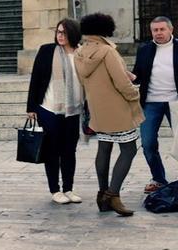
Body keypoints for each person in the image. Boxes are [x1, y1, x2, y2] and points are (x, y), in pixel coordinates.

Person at [75, 13, 145, 217]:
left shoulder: (79, 53)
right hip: (118, 108)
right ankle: (113, 195)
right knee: (129, 150)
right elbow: (121, 83)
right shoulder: (107, 51)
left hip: (97, 108)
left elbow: (85, 80)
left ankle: (102, 194)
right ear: (107, 29)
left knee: (104, 148)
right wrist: (135, 93)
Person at [26, 19, 85, 204]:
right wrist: (31, 107)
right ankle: (55, 190)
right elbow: (35, 79)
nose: (60, 36)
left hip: (73, 110)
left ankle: (68, 188)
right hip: (49, 109)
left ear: (73, 34)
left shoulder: (81, 53)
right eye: (58, 32)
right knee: (52, 151)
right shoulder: (47, 51)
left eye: (64, 33)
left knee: (69, 151)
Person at [131, 16, 176, 194]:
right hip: (151, 103)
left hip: (176, 103)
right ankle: (158, 179)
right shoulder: (144, 50)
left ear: (170, 30)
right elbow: (138, 76)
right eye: (155, 30)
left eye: (162, 29)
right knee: (148, 143)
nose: (158, 33)